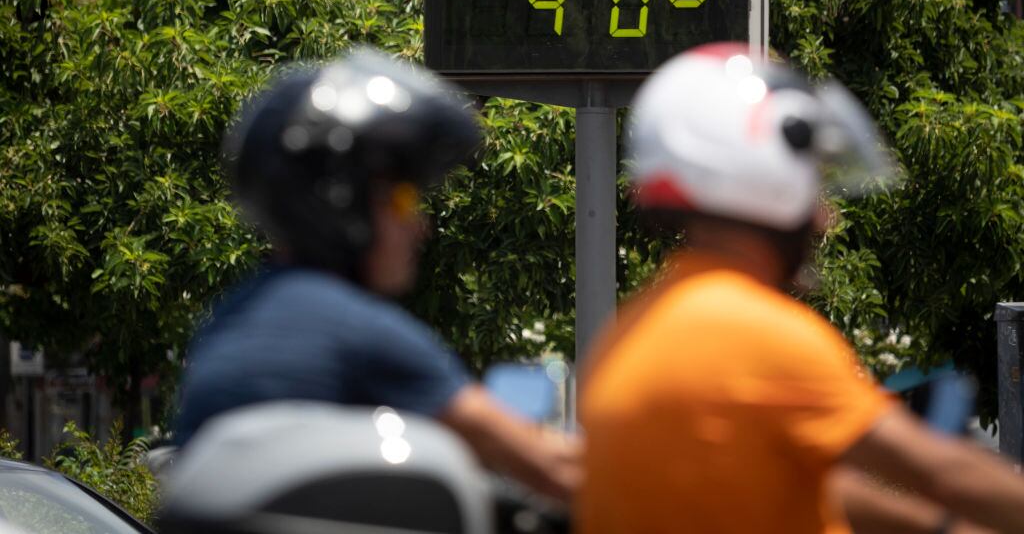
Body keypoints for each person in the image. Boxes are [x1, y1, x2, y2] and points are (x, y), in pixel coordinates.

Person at [577, 41, 1024, 534]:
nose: (825, 219)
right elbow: (939, 471)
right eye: (815, 183)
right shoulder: (761, 337)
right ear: (765, 174)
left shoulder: (631, 331)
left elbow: (800, 484)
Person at [172, 47, 579, 503]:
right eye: (403, 201)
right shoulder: (357, 332)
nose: (420, 225)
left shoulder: (233, 314)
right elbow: (554, 468)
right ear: (341, 203)